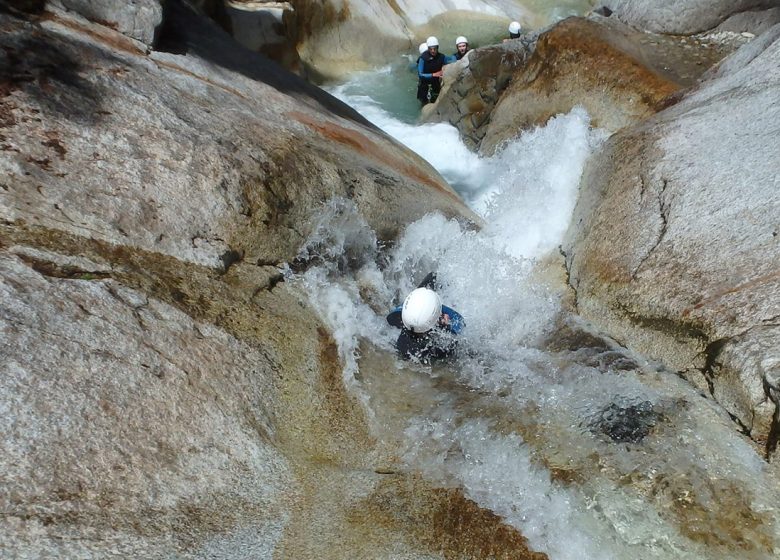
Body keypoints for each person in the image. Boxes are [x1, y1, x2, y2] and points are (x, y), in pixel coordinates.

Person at [386, 273, 464, 364]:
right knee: (434, 276)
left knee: (433, 277)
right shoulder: (441, 349)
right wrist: (445, 326)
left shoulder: (399, 322)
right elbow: (460, 324)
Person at [416, 36, 456, 105]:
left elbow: (453, 60)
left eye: (435, 48)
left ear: (437, 47)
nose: (433, 51)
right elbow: (420, 74)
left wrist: (456, 56)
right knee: (424, 104)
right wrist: (433, 74)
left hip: (435, 85)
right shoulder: (423, 58)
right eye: (431, 49)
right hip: (424, 86)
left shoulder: (441, 57)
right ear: (428, 48)